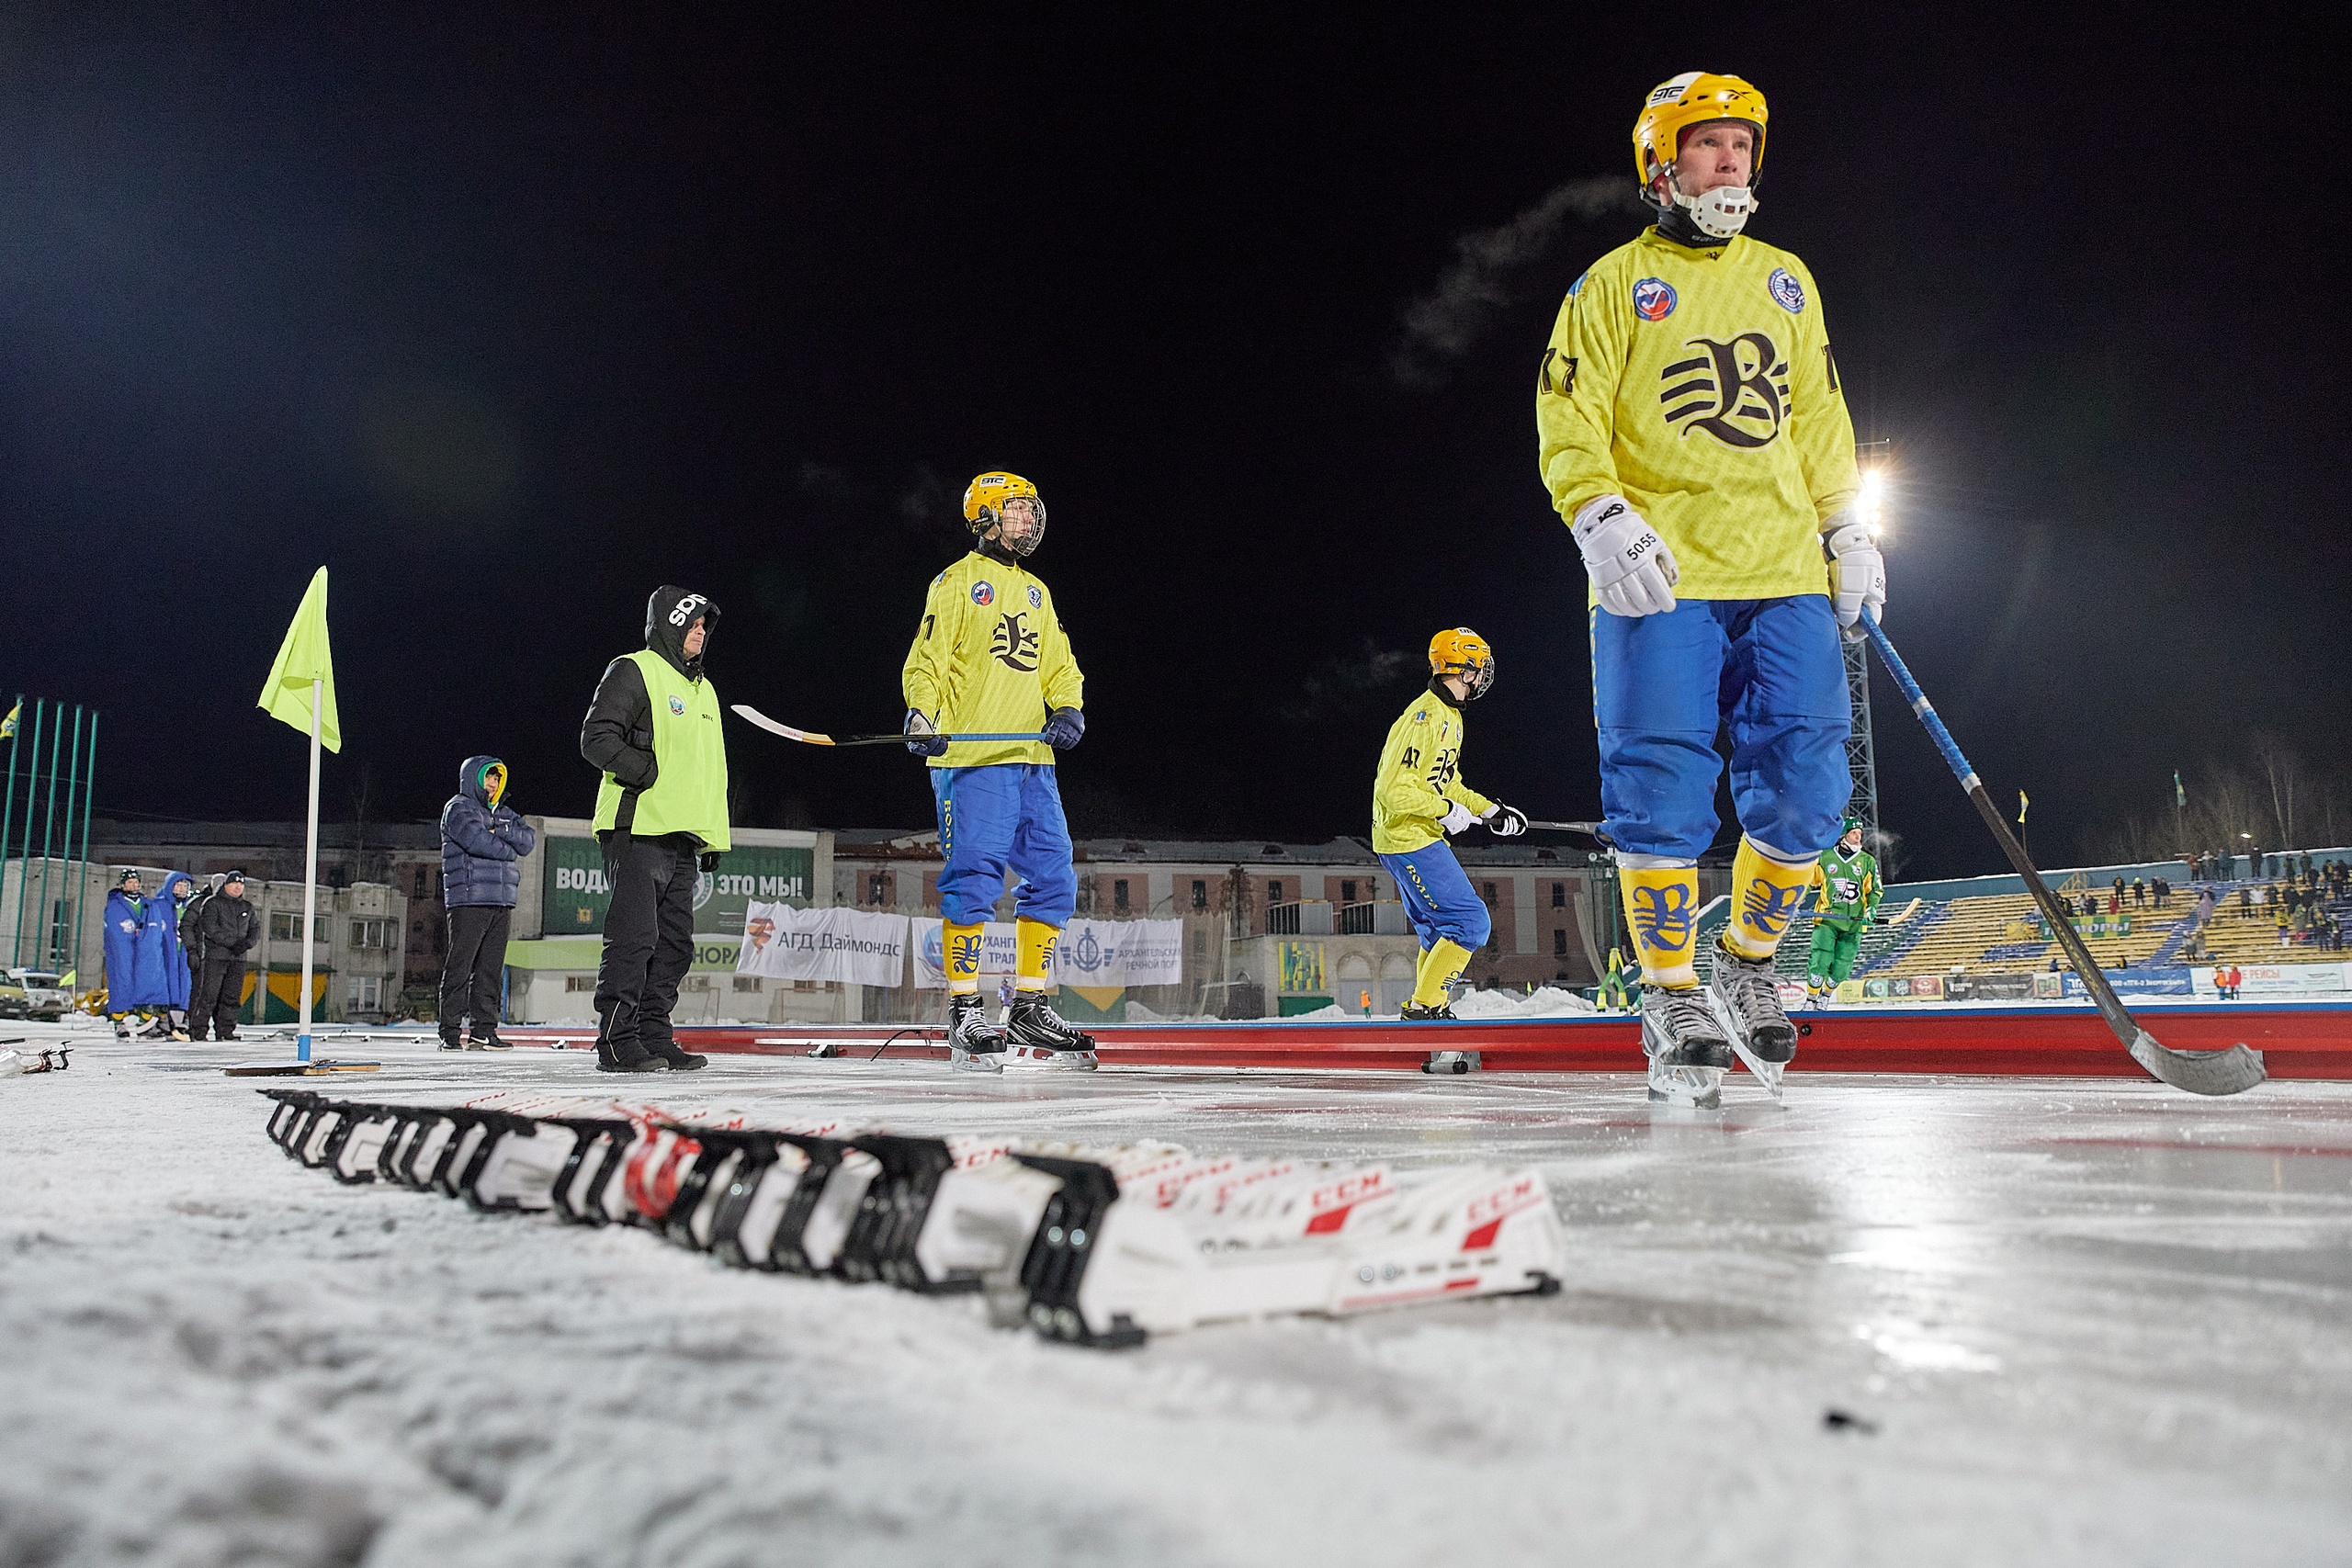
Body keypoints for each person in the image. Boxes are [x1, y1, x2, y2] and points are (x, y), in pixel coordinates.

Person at [1537, 71, 1871, 1099]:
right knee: (1660, 790)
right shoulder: (1607, 288)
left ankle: (1749, 965)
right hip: (1661, 581)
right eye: (1706, 145)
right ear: (1660, 163)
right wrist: (1595, 510)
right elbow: (1567, 414)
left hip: (1785, 575)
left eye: (1741, 147)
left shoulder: (1787, 277)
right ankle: (1672, 993)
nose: (1728, 162)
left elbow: (1816, 415)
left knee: (1812, 789)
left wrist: (1847, 524)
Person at [901, 471, 1094, 1071]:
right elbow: (927, 660)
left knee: (1057, 875)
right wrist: (919, 713)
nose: (1029, 519)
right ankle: (965, 1009)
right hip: (972, 760)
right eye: (1016, 510)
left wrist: (1068, 706)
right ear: (985, 514)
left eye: (1031, 510)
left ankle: (1028, 1003)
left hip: (1033, 763)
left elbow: (1060, 664)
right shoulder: (955, 583)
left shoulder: (1038, 591)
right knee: (976, 879)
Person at [581, 587, 730, 1074]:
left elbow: (711, 771)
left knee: (675, 945)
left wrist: (713, 834)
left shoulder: (704, 690)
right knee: (634, 938)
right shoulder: (634, 668)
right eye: (692, 623)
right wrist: (647, 775)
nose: (700, 632)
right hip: (637, 828)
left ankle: (652, 1035)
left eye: (705, 625)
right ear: (670, 624)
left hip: (682, 836)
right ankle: (615, 1041)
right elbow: (596, 738)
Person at [1369, 628, 1527, 1024]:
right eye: (1480, 667)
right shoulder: (1425, 717)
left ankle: (1429, 1007)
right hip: (1408, 837)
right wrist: (1444, 811)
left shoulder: (1450, 717)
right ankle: (1424, 1009)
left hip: (1411, 835)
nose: (1484, 675)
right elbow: (1393, 790)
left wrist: (1490, 811)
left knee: (1439, 930)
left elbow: (1447, 782)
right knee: (1471, 922)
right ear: (1463, 668)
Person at [438, 756, 536, 1050]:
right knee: (460, 966)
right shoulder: (458, 808)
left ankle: (483, 1030)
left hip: (502, 900)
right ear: (474, 779)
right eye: (487, 778)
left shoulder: (504, 814)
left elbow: (528, 840)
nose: (492, 784)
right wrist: (507, 848)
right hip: (469, 898)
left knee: (490, 970)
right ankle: (450, 1032)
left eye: (496, 778)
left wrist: (501, 831)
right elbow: (477, 841)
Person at [1804, 817, 1881, 999]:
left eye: (1859, 834)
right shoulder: (1825, 857)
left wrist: (1871, 908)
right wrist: (1792, 899)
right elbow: (1807, 882)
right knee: (1820, 960)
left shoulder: (1867, 861)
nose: (1857, 838)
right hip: (1827, 919)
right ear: (1843, 836)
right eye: (1853, 833)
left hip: (1853, 924)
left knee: (1841, 967)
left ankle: (1825, 997)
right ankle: (1811, 1000)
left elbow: (1875, 890)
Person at [190, 870, 258, 1042]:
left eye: (241, 884)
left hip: (238, 959)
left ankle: (225, 1030)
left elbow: (255, 929)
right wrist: (231, 943)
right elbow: (210, 928)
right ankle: (198, 1031)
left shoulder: (247, 907)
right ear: (226, 885)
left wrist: (246, 944)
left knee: (232, 997)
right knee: (209, 996)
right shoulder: (212, 904)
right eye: (234, 883)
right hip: (216, 957)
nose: (238, 887)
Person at [101, 870, 157, 1038]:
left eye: (136, 882)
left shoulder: (146, 903)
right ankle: (119, 1023)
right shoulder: (115, 905)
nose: (133, 885)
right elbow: (114, 930)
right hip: (124, 952)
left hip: (143, 951)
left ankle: (144, 1023)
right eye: (130, 882)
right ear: (123, 885)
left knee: (145, 984)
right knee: (121, 984)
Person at [149, 873, 198, 1040]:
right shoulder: (158, 905)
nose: (182, 889)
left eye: (185, 886)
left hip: (183, 954)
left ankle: (179, 1022)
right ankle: (162, 1021)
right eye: (178, 885)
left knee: (183, 987)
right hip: (165, 954)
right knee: (165, 987)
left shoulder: (190, 906)